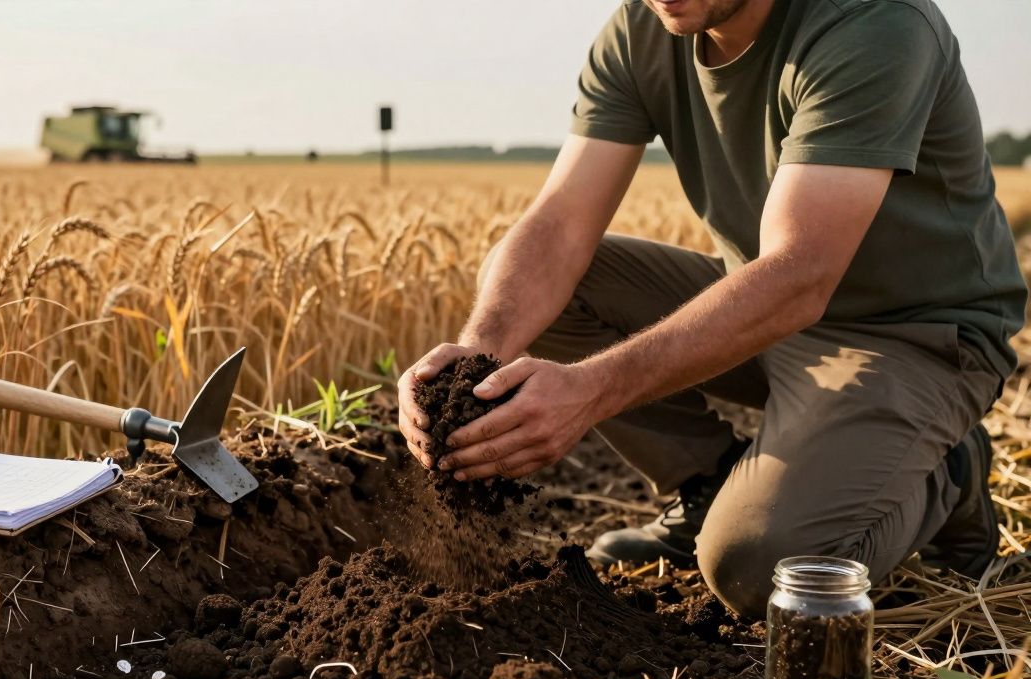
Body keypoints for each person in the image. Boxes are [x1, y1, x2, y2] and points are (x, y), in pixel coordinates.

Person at [397, 0, 1027, 617]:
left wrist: (591, 390)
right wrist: (475, 356)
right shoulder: (642, 29)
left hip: (912, 336)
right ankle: (706, 482)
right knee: (540, 290)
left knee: (757, 569)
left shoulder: (874, 22)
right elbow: (559, 227)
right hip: (765, 305)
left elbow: (801, 274)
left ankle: (947, 472)